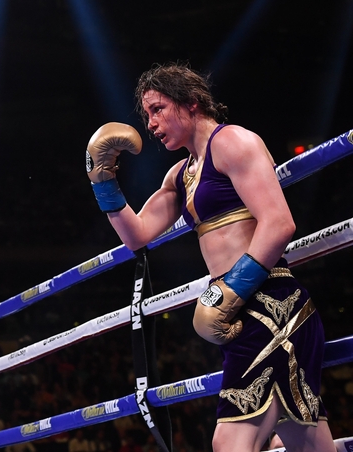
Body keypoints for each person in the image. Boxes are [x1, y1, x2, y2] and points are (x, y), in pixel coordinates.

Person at [84, 62, 333, 451]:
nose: (150, 123)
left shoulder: (233, 142)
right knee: (307, 445)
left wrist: (231, 293)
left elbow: (279, 224)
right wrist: (103, 179)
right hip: (245, 312)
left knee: (230, 442)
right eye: (147, 113)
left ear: (192, 102)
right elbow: (137, 235)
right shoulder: (179, 175)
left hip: (271, 307)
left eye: (157, 109)